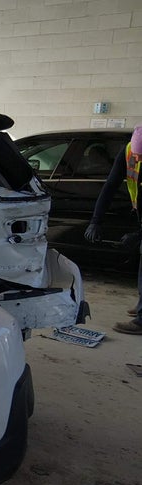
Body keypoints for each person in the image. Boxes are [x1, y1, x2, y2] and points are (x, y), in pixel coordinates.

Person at [84, 125, 142, 334]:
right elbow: (110, 185)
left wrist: (138, 235)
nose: (137, 158)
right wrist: (96, 220)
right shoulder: (128, 151)